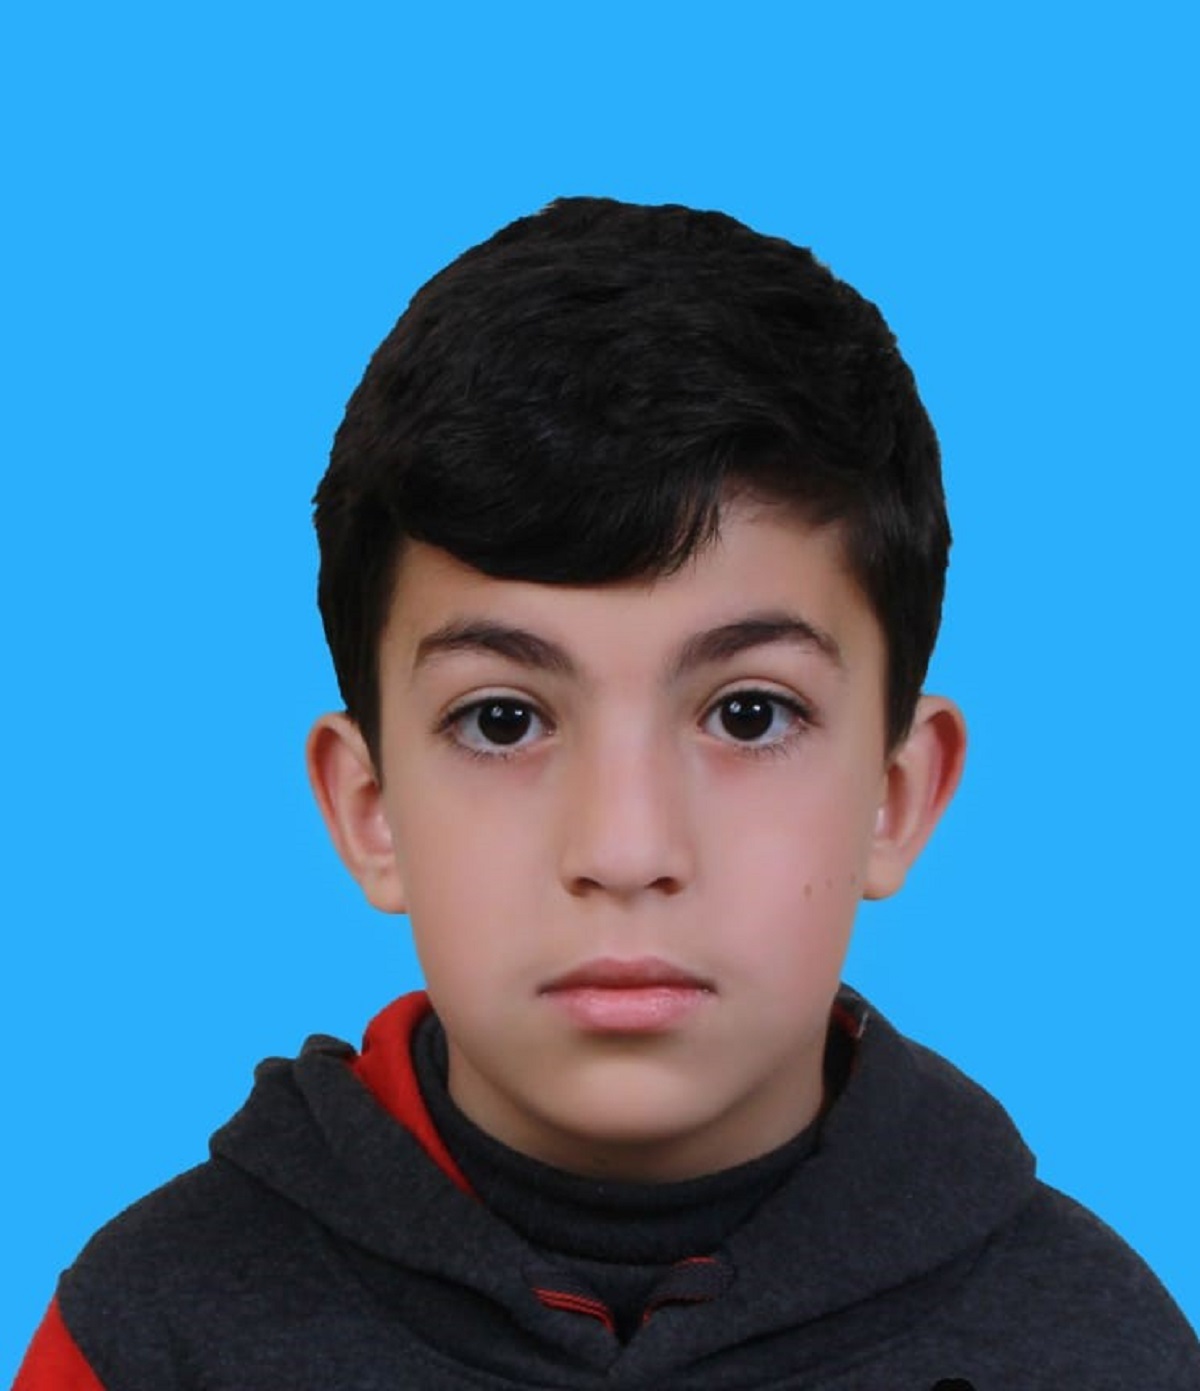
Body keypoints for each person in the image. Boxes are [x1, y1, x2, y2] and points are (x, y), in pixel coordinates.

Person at [15, 197, 1198, 1389]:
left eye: (750, 713)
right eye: (503, 719)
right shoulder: (145, 1337)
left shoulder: (1102, 1353)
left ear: (899, 794)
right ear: (369, 808)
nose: (626, 848)